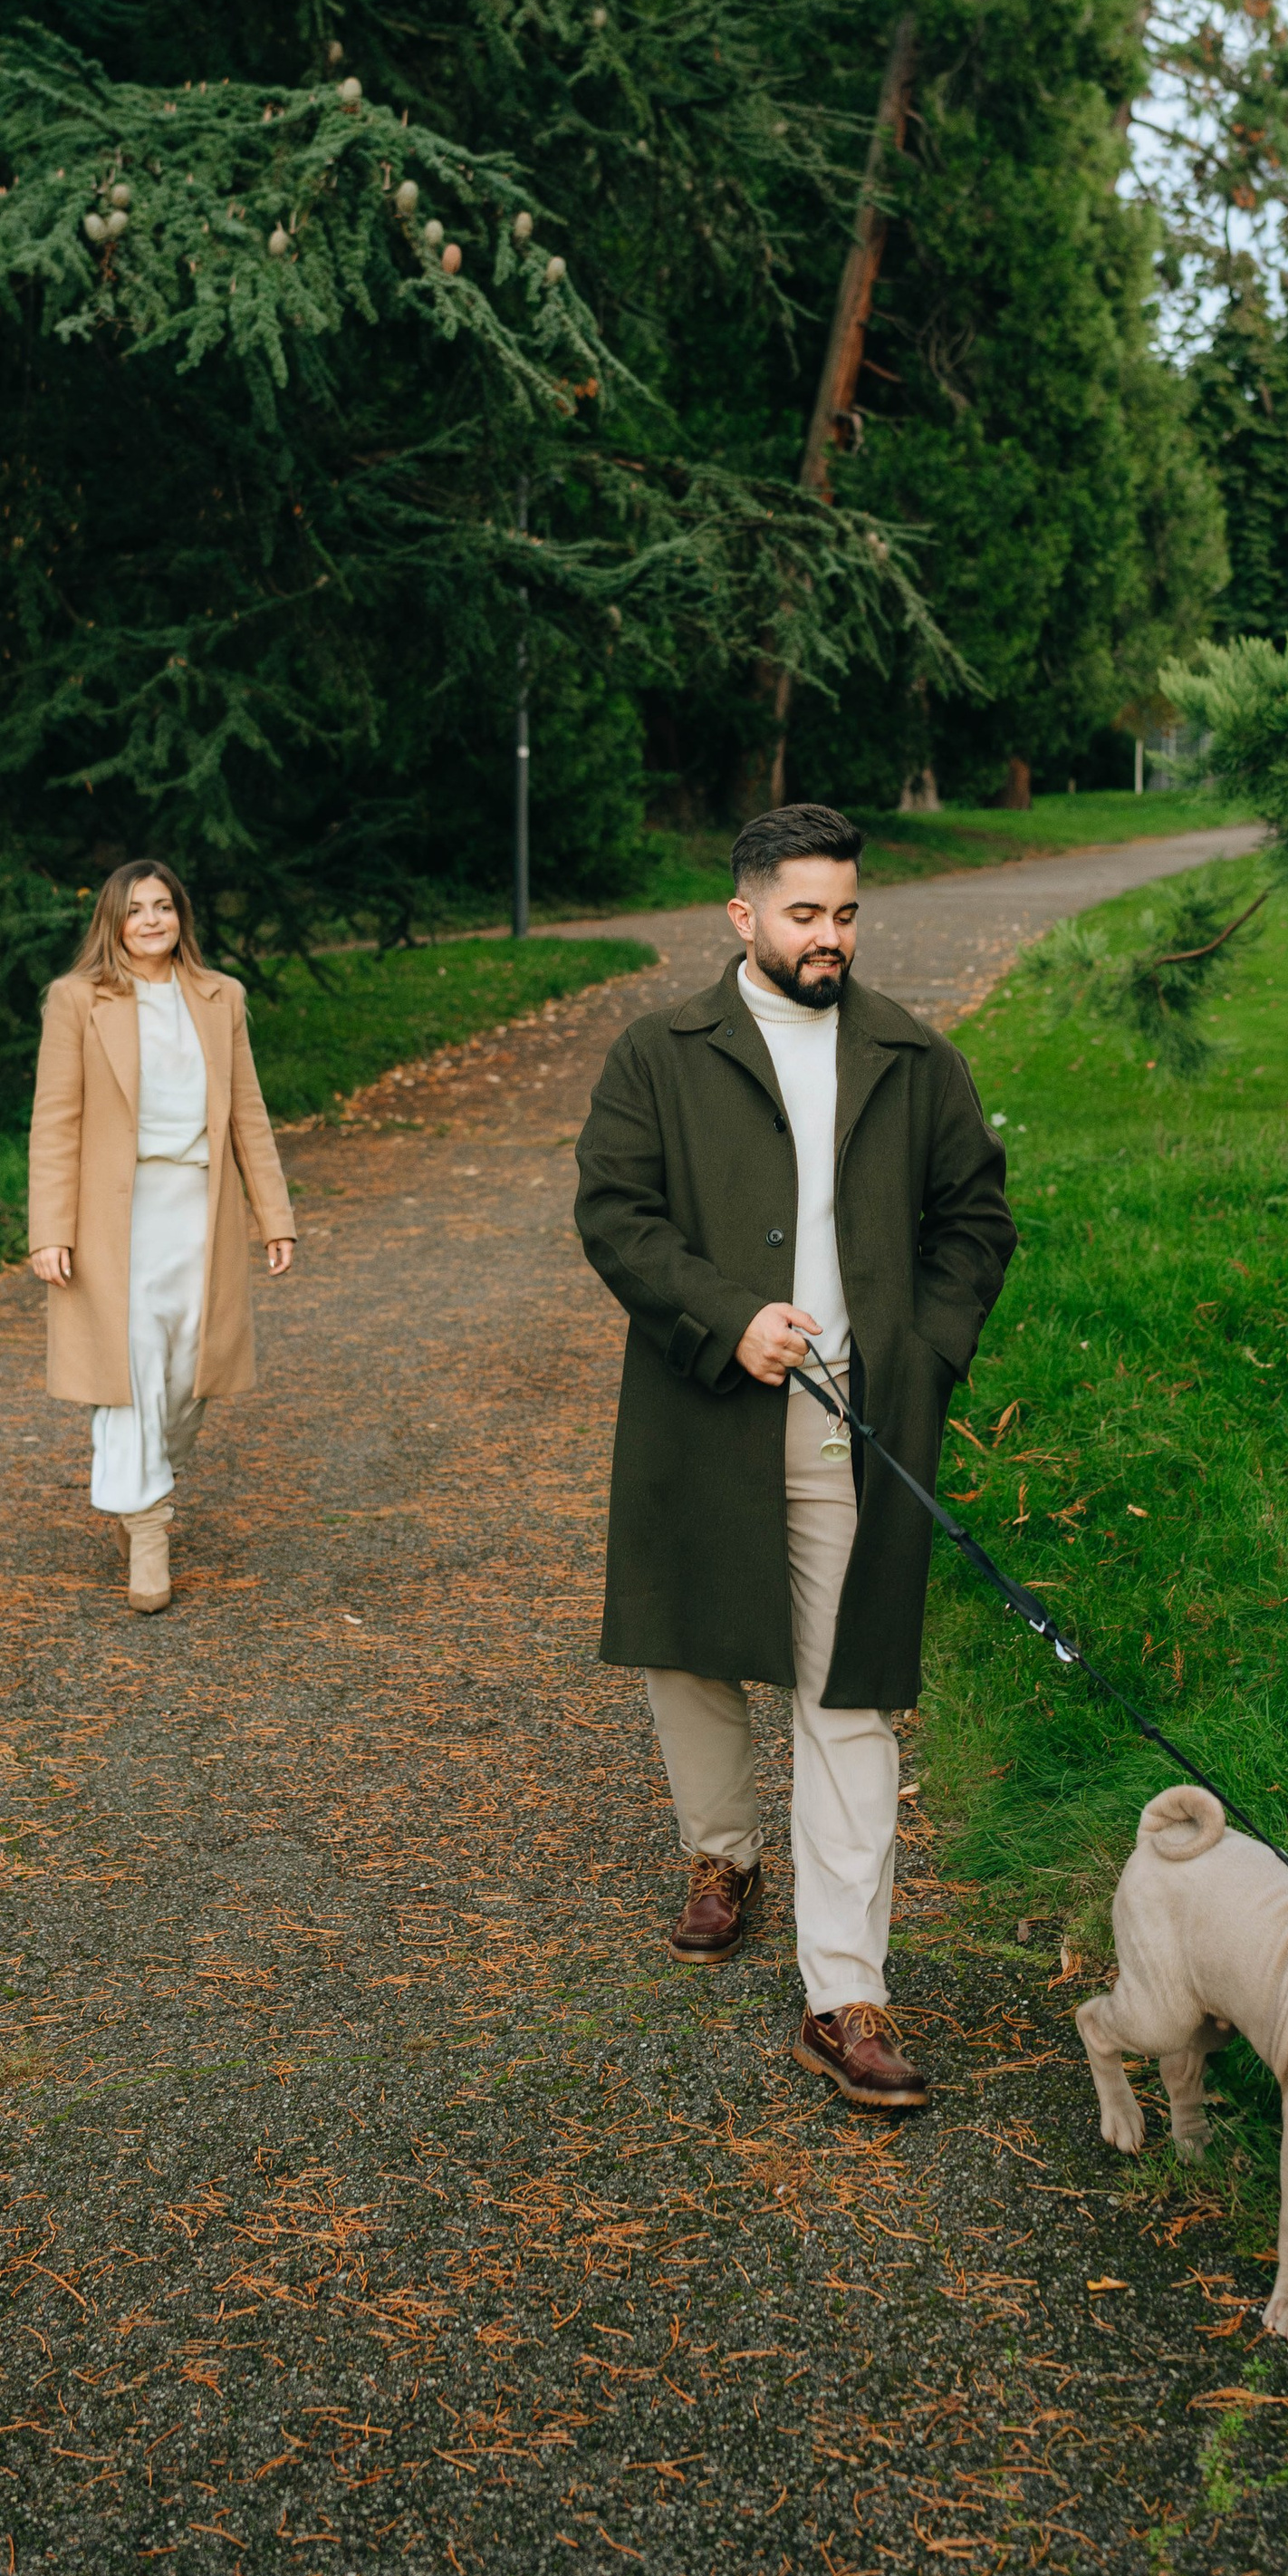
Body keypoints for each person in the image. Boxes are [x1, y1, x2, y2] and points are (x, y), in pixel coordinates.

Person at [573, 803, 1015, 2108]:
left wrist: (922, 1351)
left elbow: (975, 1220)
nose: (830, 936)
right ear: (744, 917)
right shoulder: (661, 1054)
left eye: (846, 912)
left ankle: (847, 1992)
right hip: (704, 1407)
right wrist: (726, 1315)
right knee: (695, 1650)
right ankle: (722, 1854)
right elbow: (616, 1211)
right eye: (804, 913)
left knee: (850, 1695)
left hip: (858, 1426)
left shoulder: (911, 1058)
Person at [27, 861, 295, 1616]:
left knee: (187, 1372)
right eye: (135, 908)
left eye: (164, 906)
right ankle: (149, 1535)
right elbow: (55, 1122)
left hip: (200, 1210)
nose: (151, 919)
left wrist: (275, 1215)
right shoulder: (76, 1001)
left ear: (181, 915)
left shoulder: (220, 998)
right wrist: (49, 1228)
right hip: (113, 1217)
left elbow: (249, 1111)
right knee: (132, 1367)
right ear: (112, 921)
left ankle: (138, 1483)